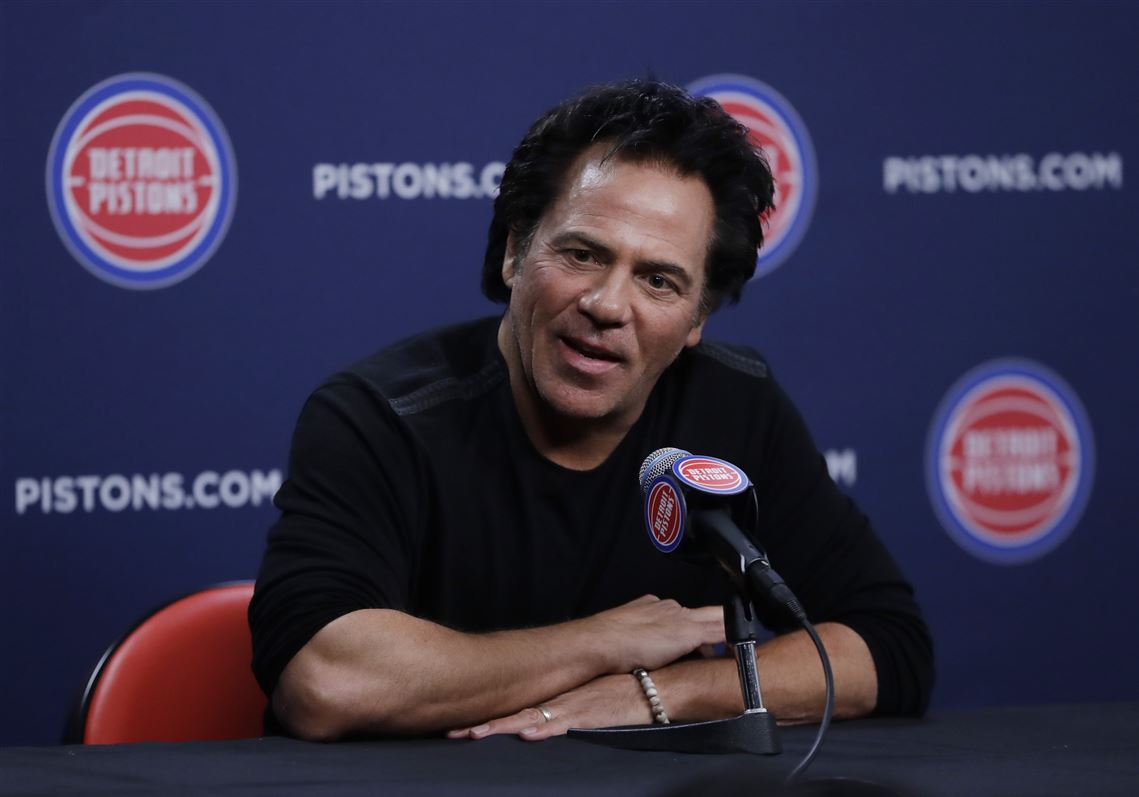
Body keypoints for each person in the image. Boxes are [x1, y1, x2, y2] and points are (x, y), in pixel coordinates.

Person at [249, 80, 933, 742]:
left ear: (696, 318)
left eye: (658, 280)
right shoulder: (382, 416)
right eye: (581, 254)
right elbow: (325, 681)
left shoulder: (737, 404)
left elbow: (886, 645)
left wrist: (656, 692)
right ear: (515, 251)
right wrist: (604, 641)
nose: (607, 306)